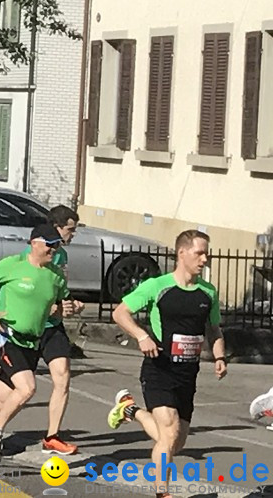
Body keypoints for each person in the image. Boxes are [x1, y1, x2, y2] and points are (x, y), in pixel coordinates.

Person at [109, 230, 226, 498]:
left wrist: (220, 357)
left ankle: (131, 411)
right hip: (159, 368)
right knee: (169, 431)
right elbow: (120, 313)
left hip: (187, 374)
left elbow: (215, 330)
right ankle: (163, 493)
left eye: (206, 253)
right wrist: (141, 336)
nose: (205, 259)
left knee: (177, 440)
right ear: (181, 253)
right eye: (200, 253)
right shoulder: (157, 286)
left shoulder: (208, 292)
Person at [0, 223, 69, 470]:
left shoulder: (56, 275)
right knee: (27, 388)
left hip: (31, 342)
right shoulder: (14, 264)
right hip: (5, 337)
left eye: (57, 246)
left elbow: (56, 308)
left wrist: (66, 309)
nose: (54, 250)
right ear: (34, 242)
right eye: (50, 245)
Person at [32, 205, 84, 454]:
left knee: (62, 376)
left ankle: (51, 437)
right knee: (17, 387)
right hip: (31, 327)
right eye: (70, 230)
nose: (72, 235)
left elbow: (61, 289)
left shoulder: (62, 256)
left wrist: (70, 304)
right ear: (56, 228)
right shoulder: (32, 253)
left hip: (53, 327)